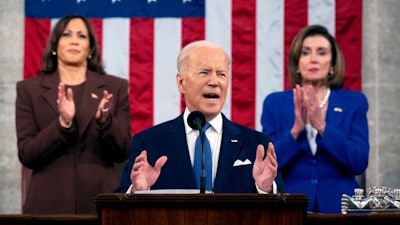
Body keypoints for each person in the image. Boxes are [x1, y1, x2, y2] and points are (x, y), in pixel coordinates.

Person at [115, 40, 284, 194]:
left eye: (221, 74)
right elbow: (120, 203)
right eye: (204, 72)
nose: (214, 81)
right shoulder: (149, 143)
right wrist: (139, 191)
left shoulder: (256, 145)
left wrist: (265, 188)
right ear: (181, 83)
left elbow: (283, 209)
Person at [15, 15, 131, 214]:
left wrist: (105, 121)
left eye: (82, 36)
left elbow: (123, 151)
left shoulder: (114, 87)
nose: (74, 40)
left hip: (100, 203)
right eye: (66, 34)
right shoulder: (29, 90)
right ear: (54, 45)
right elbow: (27, 154)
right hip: (48, 205)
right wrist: (62, 123)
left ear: (91, 48)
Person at [260, 24, 369, 213]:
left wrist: (322, 126)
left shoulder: (354, 102)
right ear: (297, 63)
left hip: (342, 209)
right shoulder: (275, 103)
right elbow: (267, 166)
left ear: (333, 64)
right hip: (291, 208)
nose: (313, 59)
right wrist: (295, 131)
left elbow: (359, 162)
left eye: (321, 52)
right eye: (305, 52)